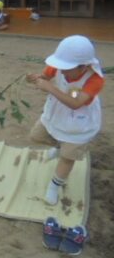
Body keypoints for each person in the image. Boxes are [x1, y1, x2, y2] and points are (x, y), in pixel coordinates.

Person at [26, 35, 104, 205]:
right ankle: (59, 146)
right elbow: (46, 77)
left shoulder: (94, 80)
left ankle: (54, 185)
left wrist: (49, 88)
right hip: (56, 111)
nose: (61, 70)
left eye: (67, 68)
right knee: (36, 135)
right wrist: (37, 78)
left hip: (79, 121)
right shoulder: (57, 66)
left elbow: (76, 103)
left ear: (83, 66)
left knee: (68, 157)